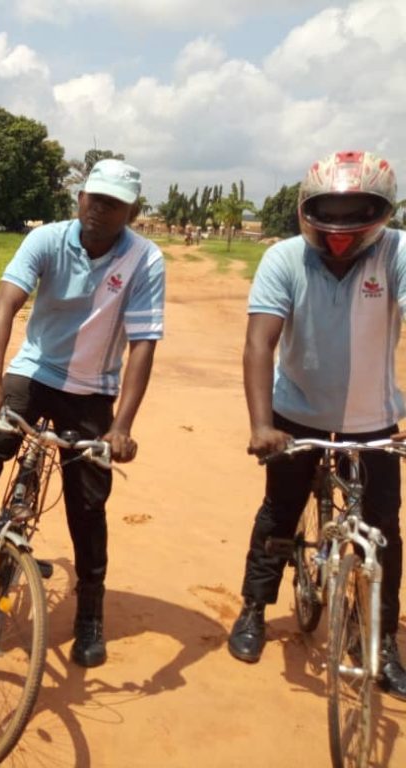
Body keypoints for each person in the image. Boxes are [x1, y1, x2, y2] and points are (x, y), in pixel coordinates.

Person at [0, 158, 165, 668]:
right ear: (79, 198)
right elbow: (5, 303)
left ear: (131, 211)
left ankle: (90, 610)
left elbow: (142, 345)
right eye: (93, 198)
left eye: (112, 203)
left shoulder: (145, 260)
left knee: (88, 501)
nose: (98, 210)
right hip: (33, 371)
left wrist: (122, 426)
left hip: (93, 390)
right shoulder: (47, 240)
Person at [227, 150, 406, 699]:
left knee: (384, 531)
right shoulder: (283, 258)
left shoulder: (397, 252)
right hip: (295, 414)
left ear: (378, 214)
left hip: (372, 420)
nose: (339, 236)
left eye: (355, 221)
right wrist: (261, 424)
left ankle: (379, 642)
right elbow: (261, 342)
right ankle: (254, 610)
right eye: (329, 219)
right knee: (279, 514)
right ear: (308, 210)